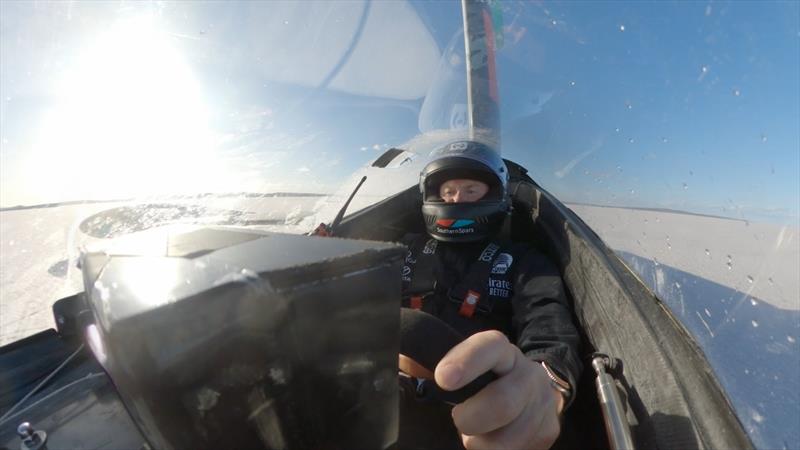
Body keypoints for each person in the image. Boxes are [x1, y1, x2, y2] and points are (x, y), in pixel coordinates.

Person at [397, 140, 582, 450]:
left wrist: (545, 388)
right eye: (449, 191)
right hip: (386, 394)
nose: (457, 199)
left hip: (476, 414)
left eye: (471, 190)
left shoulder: (525, 261)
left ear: (495, 195)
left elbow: (548, 325)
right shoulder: (405, 250)